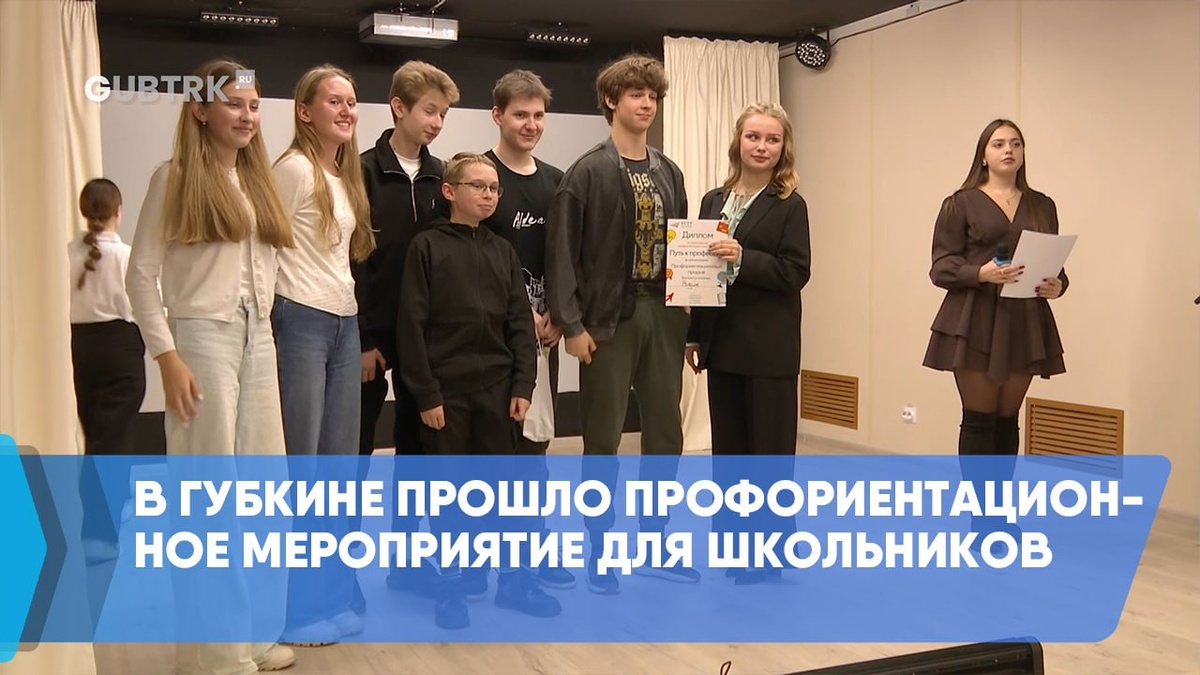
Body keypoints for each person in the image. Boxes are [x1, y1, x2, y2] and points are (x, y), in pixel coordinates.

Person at [125, 58, 297, 674]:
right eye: (233, 104)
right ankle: (215, 654)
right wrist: (166, 355)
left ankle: (254, 635)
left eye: (253, 105)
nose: (247, 116)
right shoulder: (171, 178)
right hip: (200, 339)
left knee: (265, 495)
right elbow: (140, 276)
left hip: (260, 338)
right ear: (199, 109)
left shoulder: (258, 182)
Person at [545, 53, 698, 594]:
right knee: (603, 440)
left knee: (666, 435)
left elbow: (683, 246)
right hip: (607, 321)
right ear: (611, 101)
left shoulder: (669, 171)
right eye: (636, 94)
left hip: (664, 315)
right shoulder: (586, 172)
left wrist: (690, 316)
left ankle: (655, 542)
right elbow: (561, 255)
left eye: (652, 96)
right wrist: (571, 325)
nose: (646, 104)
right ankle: (599, 551)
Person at [398, 152, 559, 629]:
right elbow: (411, 326)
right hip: (447, 396)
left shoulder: (502, 252)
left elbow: (519, 325)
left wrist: (523, 384)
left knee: (503, 491)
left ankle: (512, 581)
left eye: (494, 189)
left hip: (497, 391)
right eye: (479, 187)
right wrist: (426, 394)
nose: (489, 195)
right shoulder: (426, 248)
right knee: (450, 495)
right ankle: (452, 586)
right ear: (450, 191)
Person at [922, 118, 1069, 540]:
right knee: (979, 420)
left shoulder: (1043, 205)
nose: (1008, 150)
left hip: (1024, 319)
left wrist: (1059, 284)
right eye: (999, 143)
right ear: (984, 155)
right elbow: (941, 267)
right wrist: (980, 273)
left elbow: (1054, 262)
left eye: (1016, 144)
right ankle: (981, 522)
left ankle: (999, 516)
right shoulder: (959, 203)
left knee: (1007, 422)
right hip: (975, 317)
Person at [684, 103, 811, 585]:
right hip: (722, 343)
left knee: (769, 457)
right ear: (738, 141)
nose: (761, 146)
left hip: (769, 348)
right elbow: (700, 272)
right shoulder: (712, 200)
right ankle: (735, 548)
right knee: (731, 455)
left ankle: (769, 554)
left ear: (784, 148)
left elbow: (795, 272)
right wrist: (694, 334)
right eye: (754, 137)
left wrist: (743, 257)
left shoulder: (790, 204)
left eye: (772, 139)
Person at [271, 64, 375, 645]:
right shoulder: (292, 169)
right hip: (301, 320)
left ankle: (331, 596)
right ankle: (295, 610)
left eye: (351, 101)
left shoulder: (343, 175)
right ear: (305, 111)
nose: (345, 110)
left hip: (344, 321)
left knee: (338, 473)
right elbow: (263, 248)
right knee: (303, 473)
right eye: (333, 101)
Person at [355, 60, 458, 595]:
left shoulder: (443, 177)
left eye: (443, 114)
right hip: (372, 336)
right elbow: (349, 261)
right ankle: (339, 572)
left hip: (425, 340)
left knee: (418, 453)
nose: (436, 122)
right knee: (356, 453)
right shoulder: (360, 173)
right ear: (399, 107)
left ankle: (409, 562)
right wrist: (362, 338)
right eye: (429, 111)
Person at [479, 69, 576, 592]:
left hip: (543, 338)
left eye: (539, 115)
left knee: (535, 449)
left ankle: (532, 550)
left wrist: (559, 315)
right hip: (492, 341)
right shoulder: (481, 177)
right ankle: (486, 557)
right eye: (520, 114)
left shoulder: (557, 182)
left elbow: (567, 256)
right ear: (498, 115)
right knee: (495, 452)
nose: (531, 124)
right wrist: (519, 314)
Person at [68, 178, 147, 564]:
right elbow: (144, 306)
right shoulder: (126, 256)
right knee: (115, 441)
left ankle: (102, 519)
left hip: (81, 347)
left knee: (97, 438)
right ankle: (100, 533)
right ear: (119, 211)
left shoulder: (68, 253)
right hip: (121, 348)